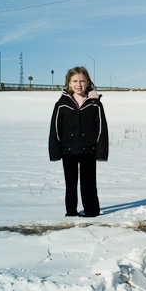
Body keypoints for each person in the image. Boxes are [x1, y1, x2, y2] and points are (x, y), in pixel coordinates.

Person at [49, 67, 108, 217]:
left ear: (88, 82)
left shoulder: (95, 104)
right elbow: (55, 129)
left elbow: (101, 129)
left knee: (88, 183)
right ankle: (71, 212)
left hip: (89, 150)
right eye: (75, 81)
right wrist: (55, 152)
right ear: (69, 83)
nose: (79, 84)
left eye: (82, 81)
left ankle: (91, 211)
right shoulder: (61, 104)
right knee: (71, 184)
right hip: (68, 150)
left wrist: (101, 152)